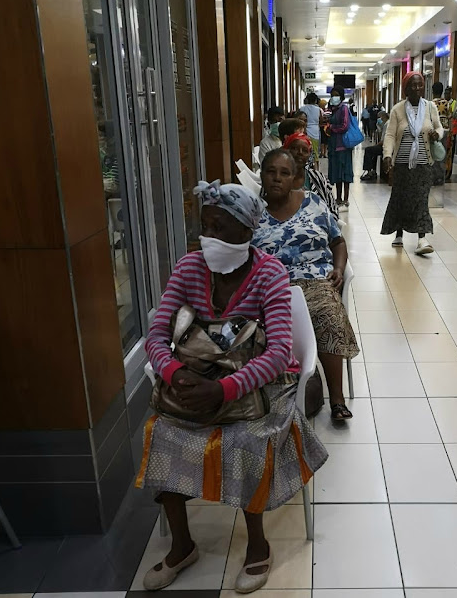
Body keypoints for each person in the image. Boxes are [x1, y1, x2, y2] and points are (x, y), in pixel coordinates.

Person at [138, 180, 328, 593]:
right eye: (205, 226)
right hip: (198, 376)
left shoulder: (269, 274)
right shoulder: (190, 268)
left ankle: (258, 546)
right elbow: (156, 334)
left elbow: (278, 353)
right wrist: (173, 373)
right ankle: (182, 545)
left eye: (221, 228)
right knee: (162, 432)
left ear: (247, 232)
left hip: (261, 382)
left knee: (244, 441)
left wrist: (223, 390)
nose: (210, 237)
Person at [253, 149, 359, 422]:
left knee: (328, 314)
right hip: (271, 287)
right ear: (261, 175)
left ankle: (336, 398)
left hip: (315, 280)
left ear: (295, 178)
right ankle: (269, 392)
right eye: (271, 172)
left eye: (284, 173)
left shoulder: (312, 202)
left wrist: (338, 268)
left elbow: (337, 241)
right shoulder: (251, 213)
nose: (277, 178)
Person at [381, 72, 445, 255]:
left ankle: (421, 239)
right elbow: (391, 135)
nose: (417, 89)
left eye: (420, 85)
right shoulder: (398, 110)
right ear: (406, 89)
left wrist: (437, 134)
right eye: (413, 86)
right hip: (402, 164)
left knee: (421, 199)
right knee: (401, 198)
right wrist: (387, 155)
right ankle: (399, 233)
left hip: (424, 164)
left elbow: (439, 127)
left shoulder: (430, 107)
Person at [283, 131, 339, 219]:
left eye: (305, 150)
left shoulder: (317, 177)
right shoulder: (277, 178)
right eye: (295, 148)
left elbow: (332, 208)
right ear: (286, 150)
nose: (300, 153)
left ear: (309, 155)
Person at [327, 86, 354, 209]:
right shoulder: (334, 109)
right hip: (334, 145)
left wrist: (332, 128)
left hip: (342, 146)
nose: (334, 97)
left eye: (336, 94)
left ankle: (346, 199)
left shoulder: (344, 108)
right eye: (332, 95)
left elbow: (345, 126)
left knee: (345, 173)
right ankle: (338, 198)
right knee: (337, 174)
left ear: (341, 96)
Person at [360, 111, 389, 181]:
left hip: (385, 147)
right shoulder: (386, 124)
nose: (378, 120)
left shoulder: (387, 125)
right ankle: (373, 171)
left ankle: (369, 172)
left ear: (383, 117)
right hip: (385, 146)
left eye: (379, 118)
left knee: (368, 150)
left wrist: (377, 145)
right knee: (374, 151)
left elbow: (383, 140)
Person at [300, 93, 323, 162]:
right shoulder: (318, 109)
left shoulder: (302, 108)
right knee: (315, 153)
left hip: (304, 132)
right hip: (315, 132)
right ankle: (316, 169)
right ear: (316, 100)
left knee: (305, 151)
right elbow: (321, 121)